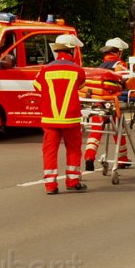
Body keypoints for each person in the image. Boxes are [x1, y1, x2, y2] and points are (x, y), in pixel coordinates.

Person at [33, 34, 87, 195]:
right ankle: (72, 181)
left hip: (50, 118)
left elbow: (37, 86)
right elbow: (81, 86)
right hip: (71, 118)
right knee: (73, 149)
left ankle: (51, 185)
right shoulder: (78, 70)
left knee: (49, 151)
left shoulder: (45, 69)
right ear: (71, 51)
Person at [84, 37, 131, 171]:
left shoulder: (99, 67)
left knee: (95, 131)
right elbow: (126, 83)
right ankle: (122, 159)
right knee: (118, 131)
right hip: (112, 102)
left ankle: (89, 156)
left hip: (98, 102)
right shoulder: (119, 65)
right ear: (119, 52)